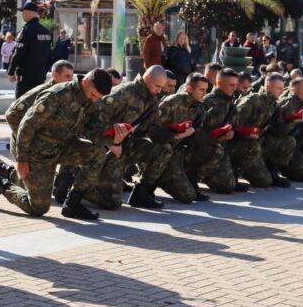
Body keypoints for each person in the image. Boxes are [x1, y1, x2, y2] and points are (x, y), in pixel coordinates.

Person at [0, 69, 118, 220]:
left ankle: (73, 203)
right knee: (38, 207)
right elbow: (27, 125)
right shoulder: (57, 96)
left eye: (98, 98)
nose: (95, 100)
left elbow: (93, 129)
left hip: (64, 146)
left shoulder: (92, 99)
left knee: (97, 154)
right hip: (39, 152)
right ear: (85, 82)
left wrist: (112, 136)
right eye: (94, 95)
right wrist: (22, 159)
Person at [78, 65, 174, 209]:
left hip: (125, 146)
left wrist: (172, 134)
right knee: (112, 202)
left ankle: (141, 193)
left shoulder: (151, 99)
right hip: (105, 148)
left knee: (164, 149)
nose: (159, 90)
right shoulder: (124, 93)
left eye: (161, 87)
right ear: (147, 79)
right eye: (157, 86)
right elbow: (93, 121)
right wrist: (112, 143)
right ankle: (78, 188)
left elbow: (151, 128)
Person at [151, 73, 214, 203]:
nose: (204, 93)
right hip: (160, 150)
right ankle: (152, 182)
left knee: (207, 147)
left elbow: (197, 134)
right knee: (187, 196)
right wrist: (175, 135)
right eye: (201, 89)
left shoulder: (198, 107)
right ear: (190, 89)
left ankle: (189, 181)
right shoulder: (171, 103)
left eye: (206, 90)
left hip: (178, 151)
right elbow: (151, 130)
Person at [186, 68, 246, 194]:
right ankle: (193, 176)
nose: (234, 88)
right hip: (201, 149)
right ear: (219, 83)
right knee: (225, 186)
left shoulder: (231, 102)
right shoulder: (207, 102)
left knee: (229, 186)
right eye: (231, 85)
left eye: (236, 85)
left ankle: (219, 175)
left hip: (219, 147)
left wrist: (230, 133)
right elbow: (193, 133)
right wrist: (214, 138)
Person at [4, 60, 75, 158]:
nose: (70, 80)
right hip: (26, 149)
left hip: (46, 148)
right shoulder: (41, 92)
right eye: (67, 76)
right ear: (55, 75)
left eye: (72, 77)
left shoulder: (65, 94)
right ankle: (4, 171)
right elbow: (11, 115)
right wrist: (28, 141)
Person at [229, 73, 287, 188]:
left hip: (255, 142)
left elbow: (277, 129)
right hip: (238, 143)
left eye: (283, 88)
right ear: (268, 87)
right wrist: (246, 134)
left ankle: (272, 171)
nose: (281, 91)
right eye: (279, 88)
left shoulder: (273, 104)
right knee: (263, 181)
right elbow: (233, 124)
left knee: (286, 141)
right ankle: (234, 173)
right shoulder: (253, 100)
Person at [7, 2, 53, 98]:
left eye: (23, 12)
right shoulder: (45, 31)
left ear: (29, 12)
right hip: (40, 76)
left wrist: (11, 71)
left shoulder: (26, 30)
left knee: (20, 106)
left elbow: (18, 52)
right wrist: (43, 71)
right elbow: (49, 55)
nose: (22, 14)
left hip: (26, 78)